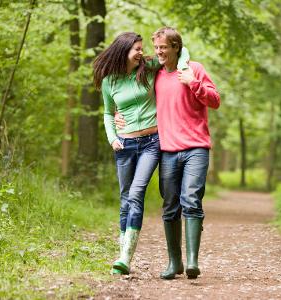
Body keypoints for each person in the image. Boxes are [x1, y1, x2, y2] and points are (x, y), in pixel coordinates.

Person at [116, 27, 220, 280]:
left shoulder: (194, 69)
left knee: (191, 199)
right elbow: (135, 98)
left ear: (176, 47)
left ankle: (193, 261)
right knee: (170, 206)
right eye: (157, 47)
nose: (159, 52)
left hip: (196, 147)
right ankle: (175, 263)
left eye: (164, 47)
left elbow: (215, 100)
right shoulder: (155, 74)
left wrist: (193, 83)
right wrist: (120, 115)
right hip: (167, 150)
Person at [93, 32, 189, 275]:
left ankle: (125, 256)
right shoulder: (109, 81)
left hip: (151, 142)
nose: (141, 52)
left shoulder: (148, 68)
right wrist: (112, 137)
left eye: (141, 48)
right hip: (124, 145)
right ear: (123, 50)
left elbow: (180, 53)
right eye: (136, 48)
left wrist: (185, 65)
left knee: (135, 194)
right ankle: (123, 247)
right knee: (126, 197)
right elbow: (107, 112)